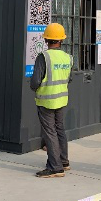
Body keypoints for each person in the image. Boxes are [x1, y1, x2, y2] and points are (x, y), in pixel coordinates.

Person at [29, 22, 72, 178]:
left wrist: (35, 88)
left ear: (46, 39)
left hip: (46, 100)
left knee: (50, 133)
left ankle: (55, 167)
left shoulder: (44, 57)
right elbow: (69, 79)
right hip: (61, 100)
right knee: (59, 129)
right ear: (61, 40)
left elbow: (35, 82)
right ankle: (63, 161)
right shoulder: (68, 57)